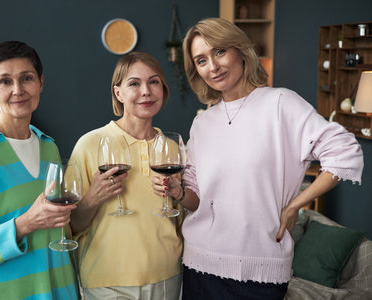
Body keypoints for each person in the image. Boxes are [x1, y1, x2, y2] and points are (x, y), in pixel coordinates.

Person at [157, 18, 364, 299]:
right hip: (199, 263)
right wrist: (179, 192)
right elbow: (197, 199)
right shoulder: (202, 123)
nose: (213, 66)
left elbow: (345, 152)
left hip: (262, 269)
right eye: (201, 60)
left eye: (219, 51)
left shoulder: (280, 104)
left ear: (240, 51)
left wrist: (295, 206)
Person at [0, 41, 81, 299]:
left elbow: (58, 228)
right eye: (5, 81)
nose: (17, 90)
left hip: (57, 289)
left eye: (26, 78)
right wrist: (26, 223)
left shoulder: (48, 146)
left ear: (41, 83)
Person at [68, 51, 182, 299]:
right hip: (108, 282)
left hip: (167, 276)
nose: (146, 91)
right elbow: (71, 225)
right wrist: (93, 198)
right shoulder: (90, 144)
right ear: (118, 93)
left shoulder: (172, 149)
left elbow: (181, 218)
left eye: (154, 82)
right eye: (134, 83)